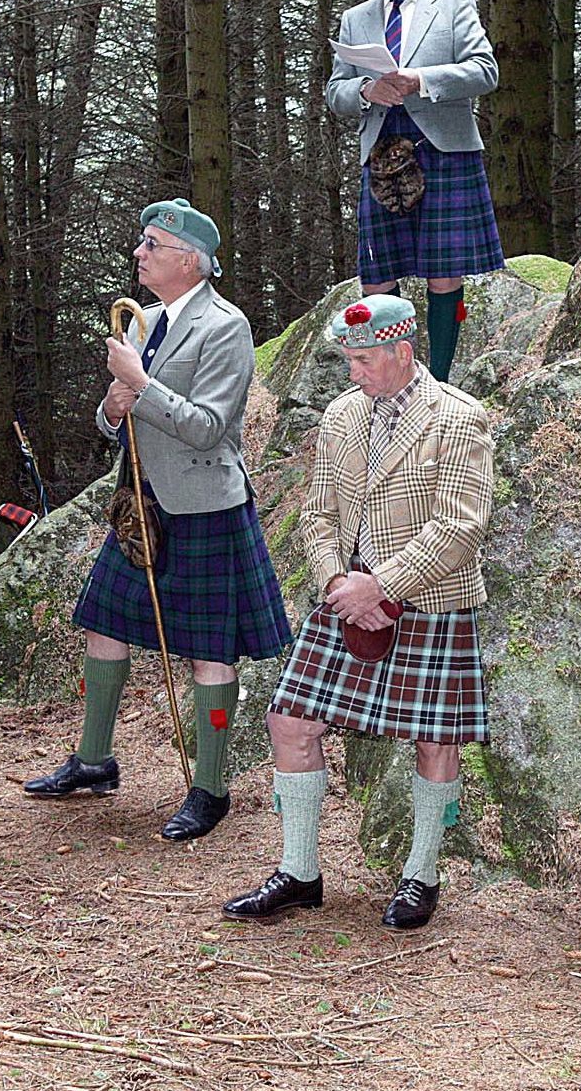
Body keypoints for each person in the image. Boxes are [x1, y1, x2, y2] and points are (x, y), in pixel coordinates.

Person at [221, 294, 493, 930]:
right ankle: (300, 872)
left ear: (402, 352)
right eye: (347, 358)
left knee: (436, 738)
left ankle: (421, 875)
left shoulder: (457, 418)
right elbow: (317, 513)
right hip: (346, 601)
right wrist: (339, 583)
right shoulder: (342, 416)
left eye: (363, 359)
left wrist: (384, 587)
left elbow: (461, 527)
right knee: (290, 721)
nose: (352, 372)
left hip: (430, 602)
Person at [23, 199, 292, 839]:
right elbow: (114, 417)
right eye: (141, 243)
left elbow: (209, 428)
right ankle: (94, 761)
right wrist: (116, 406)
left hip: (203, 508)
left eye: (151, 244)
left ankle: (210, 786)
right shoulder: (145, 321)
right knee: (102, 625)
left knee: (209, 652)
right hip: (141, 506)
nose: (139, 253)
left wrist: (140, 386)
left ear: (189, 260)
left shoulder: (225, 326)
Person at [324, 0, 503, 383]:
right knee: (378, 276)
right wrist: (365, 91)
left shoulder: (453, 5)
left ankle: (438, 381)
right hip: (382, 156)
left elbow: (485, 71)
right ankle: (386, 380)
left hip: (443, 151)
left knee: (445, 274)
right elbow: (334, 91)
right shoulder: (356, 18)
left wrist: (420, 80)